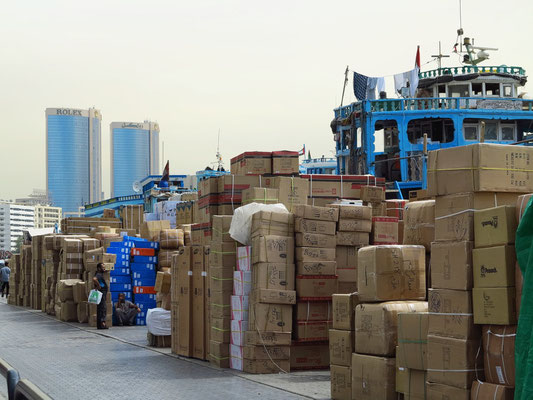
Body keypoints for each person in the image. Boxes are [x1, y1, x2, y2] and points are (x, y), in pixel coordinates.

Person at [92, 263, 108, 329]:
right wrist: (98, 285)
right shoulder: (98, 274)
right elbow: (94, 279)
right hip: (102, 293)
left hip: (102, 293)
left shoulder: (100, 274)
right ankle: (102, 323)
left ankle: (100, 325)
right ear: (99, 268)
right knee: (103, 308)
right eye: (103, 267)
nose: (104, 269)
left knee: (100, 308)